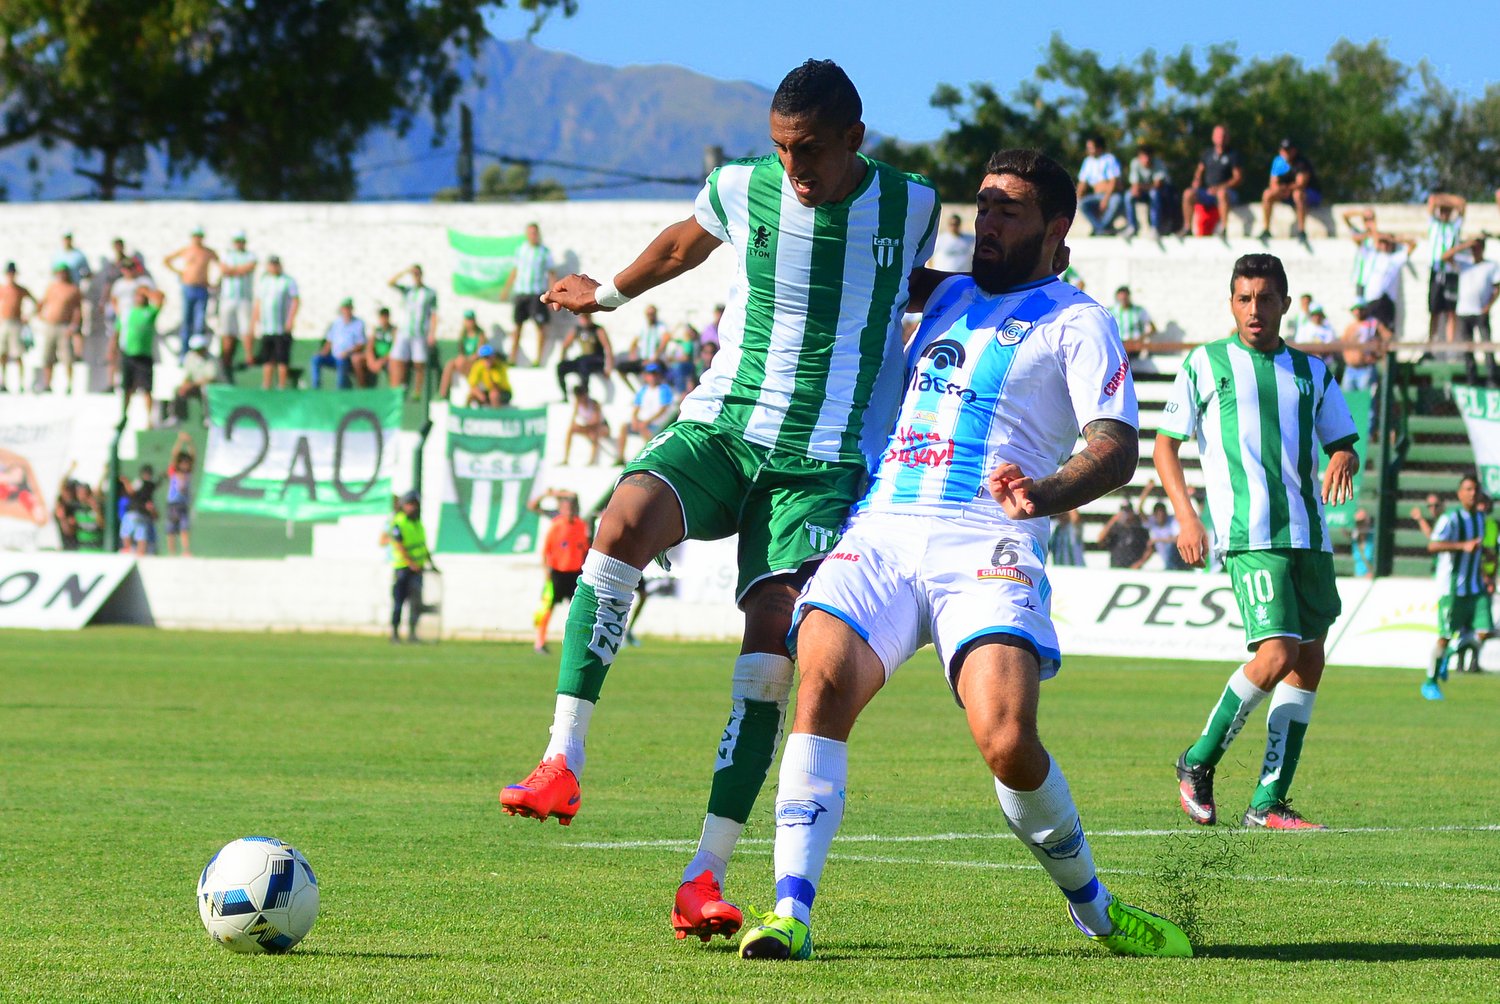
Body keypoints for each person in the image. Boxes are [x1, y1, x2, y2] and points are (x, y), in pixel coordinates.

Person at [498, 60, 943, 948]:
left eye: (809, 150)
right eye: (781, 148)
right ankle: (562, 760)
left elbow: (911, 287)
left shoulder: (914, 204)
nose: (793, 168)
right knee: (618, 522)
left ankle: (702, 877)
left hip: (819, 463)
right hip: (725, 423)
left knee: (772, 656)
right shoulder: (744, 187)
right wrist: (610, 294)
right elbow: (681, 244)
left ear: (855, 138)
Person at [738, 147, 1188, 962]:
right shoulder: (943, 292)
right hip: (882, 529)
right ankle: (789, 912)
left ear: (1056, 229)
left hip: (990, 538)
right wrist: (808, 181)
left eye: (1009, 210)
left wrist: (1044, 494)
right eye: (983, 205)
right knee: (822, 681)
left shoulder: (1077, 319)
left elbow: (1115, 448)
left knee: (1007, 740)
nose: (987, 222)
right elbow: (850, 262)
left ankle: (1095, 909)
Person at [1155, 253, 1359, 831]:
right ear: (1231, 304)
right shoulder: (1205, 363)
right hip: (1251, 534)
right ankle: (1196, 762)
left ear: (1285, 305)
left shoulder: (1312, 371)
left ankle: (1267, 802)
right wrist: (1187, 518)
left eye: (1265, 298)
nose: (1254, 309)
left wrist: (1343, 454)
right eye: (1244, 298)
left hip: (1309, 536)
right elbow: (1166, 445)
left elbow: (1343, 441)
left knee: (1308, 661)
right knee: (1275, 655)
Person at [1423, 474, 1490, 699]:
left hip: (1475, 588)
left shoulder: (1480, 518)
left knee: (1484, 631)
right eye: (1468, 490)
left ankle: (1449, 656)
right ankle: (1430, 682)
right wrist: (1462, 546)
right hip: (1451, 589)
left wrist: (1484, 553)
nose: (1472, 494)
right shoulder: (1450, 519)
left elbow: (1475, 548)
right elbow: (1432, 545)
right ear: (1459, 494)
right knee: (1445, 635)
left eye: (1475, 490)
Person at [530, 490, 591, 654]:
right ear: (561, 510)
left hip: (575, 574)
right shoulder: (557, 526)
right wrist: (546, 572)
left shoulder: (581, 525)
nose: (570, 511)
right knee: (547, 607)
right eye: (566, 508)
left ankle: (579, 642)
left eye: (572, 508)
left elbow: (584, 549)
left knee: (579, 609)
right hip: (557, 572)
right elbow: (546, 551)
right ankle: (540, 641)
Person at [1443, 236, 1500, 385]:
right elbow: (1445, 257)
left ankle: (1492, 378)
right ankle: (1471, 379)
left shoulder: (1491, 266)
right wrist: (1464, 245)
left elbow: (1497, 287)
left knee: (1486, 345)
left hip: (1480, 312)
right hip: (1464, 311)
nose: (1475, 251)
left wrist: (1488, 306)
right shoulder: (1464, 264)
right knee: (1467, 347)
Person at [503, 223, 556, 366]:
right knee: (517, 325)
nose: (533, 235)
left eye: (535, 233)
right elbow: (515, 270)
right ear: (526, 235)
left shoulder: (544, 252)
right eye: (530, 233)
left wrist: (553, 296)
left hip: (536, 294)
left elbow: (551, 274)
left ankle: (538, 359)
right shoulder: (520, 250)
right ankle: (512, 357)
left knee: (540, 326)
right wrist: (506, 289)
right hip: (521, 293)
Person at [163, 227, 218, 362]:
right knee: (187, 321)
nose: (197, 239)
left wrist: (214, 282)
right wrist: (180, 272)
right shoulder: (187, 250)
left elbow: (220, 265)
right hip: (188, 287)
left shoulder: (207, 252)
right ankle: (184, 353)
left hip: (202, 288)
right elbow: (167, 260)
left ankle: (198, 352)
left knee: (199, 322)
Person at [388, 491, 436, 643]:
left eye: (415, 505)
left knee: (416, 603)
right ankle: (395, 633)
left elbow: (422, 546)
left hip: (417, 569)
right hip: (403, 568)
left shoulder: (418, 524)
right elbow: (399, 545)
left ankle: (412, 633)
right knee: (399, 602)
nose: (413, 508)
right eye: (410, 505)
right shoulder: (399, 522)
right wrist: (411, 563)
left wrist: (431, 563)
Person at [1179, 124, 1242, 238]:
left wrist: (1220, 188)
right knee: (1188, 193)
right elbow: (1199, 170)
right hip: (1208, 192)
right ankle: (1187, 227)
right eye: (1218, 136)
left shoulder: (1233, 155)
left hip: (1227, 193)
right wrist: (1196, 181)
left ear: (1227, 138)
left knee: (1222, 194)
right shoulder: (1207, 153)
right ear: (1213, 137)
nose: (1220, 138)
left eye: (1223, 136)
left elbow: (1237, 178)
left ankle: (1223, 228)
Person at [118, 284, 166, 426]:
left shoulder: (150, 312)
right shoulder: (128, 313)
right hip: (128, 354)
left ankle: (149, 419)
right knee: (126, 388)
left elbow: (161, 298)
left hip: (144, 355)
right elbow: (118, 330)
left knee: (146, 388)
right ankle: (124, 415)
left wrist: (146, 291)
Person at [388, 264, 438, 398]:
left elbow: (433, 314)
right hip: (405, 330)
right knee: (398, 359)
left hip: (420, 332)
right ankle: (398, 387)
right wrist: (405, 271)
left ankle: (418, 392)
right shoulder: (408, 291)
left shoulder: (429, 293)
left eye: (417, 274)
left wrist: (432, 333)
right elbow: (390, 283)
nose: (416, 276)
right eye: (414, 274)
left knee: (419, 362)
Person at [1426, 193, 1468, 346]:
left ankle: (1450, 344)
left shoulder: (1454, 226)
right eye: (1442, 210)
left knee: (1451, 310)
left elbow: (1462, 203)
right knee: (1434, 310)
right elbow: (1432, 200)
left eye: (1448, 211)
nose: (1444, 214)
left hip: (1451, 272)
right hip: (1437, 270)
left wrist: (1449, 201)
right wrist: (1445, 200)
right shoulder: (1433, 224)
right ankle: (1431, 343)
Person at [252, 255, 299, 390]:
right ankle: (266, 384)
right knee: (267, 357)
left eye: (276, 264)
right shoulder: (264, 282)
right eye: (271, 265)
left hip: (281, 327)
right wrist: (255, 321)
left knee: (282, 358)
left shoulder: (287, 281)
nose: (273, 267)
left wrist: (290, 320)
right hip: (267, 327)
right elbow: (258, 302)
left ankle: (282, 385)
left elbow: (295, 300)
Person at [1258, 139, 1320, 240]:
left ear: (1294, 150)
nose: (1286, 153)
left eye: (1288, 150)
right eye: (1283, 150)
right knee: (1267, 194)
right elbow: (1273, 183)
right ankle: (1266, 229)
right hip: (1287, 193)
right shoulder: (1278, 162)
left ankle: (1301, 231)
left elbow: (1301, 183)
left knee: (1297, 194)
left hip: (1308, 193)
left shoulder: (1301, 162)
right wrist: (1279, 190)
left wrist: (1285, 188)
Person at [35, 262, 83, 393]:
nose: (61, 275)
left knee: (67, 357)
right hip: (50, 325)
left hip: (64, 326)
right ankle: (47, 383)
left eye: (63, 272)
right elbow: (42, 302)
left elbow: (77, 310)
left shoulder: (73, 289)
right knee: (47, 356)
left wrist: (74, 325)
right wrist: (39, 314)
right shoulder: (51, 287)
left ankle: (69, 385)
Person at [614, 361, 676, 462]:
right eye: (650, 374)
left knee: (645, 430)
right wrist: (634, 419)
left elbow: (663, 409)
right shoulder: (643, 390)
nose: (652, 377)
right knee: (624, 427)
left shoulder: (664, 389)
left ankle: (648, 458)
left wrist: (647, 422)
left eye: (654, 374)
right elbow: (637, 406)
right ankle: (620, 458)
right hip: (644, 422)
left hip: (657, 424)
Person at [216, 230, 258, 377]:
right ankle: (226, 359)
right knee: (227, 330)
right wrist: (238, 270)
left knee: (246, 328)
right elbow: (224, 269)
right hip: (228, 298)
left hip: (244, 298)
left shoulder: (250, 255)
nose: (239, 243)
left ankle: (249, 357)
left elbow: (249, 267)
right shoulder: (227, 255)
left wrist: (233, 270)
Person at [1361, 232, 1416, 331]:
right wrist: (1378, 236)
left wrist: (1395, 239)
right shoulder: (1372, 256)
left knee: (1387, 332)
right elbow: (1357, 239)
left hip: (1388, 300)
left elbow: (1413, 244)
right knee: (1371, 330)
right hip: (1372, 298)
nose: (1385, 246)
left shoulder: (1395, 258)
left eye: (1387, 243)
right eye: (1382, 243)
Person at [310, 298, 368, 390]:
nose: (347, 311)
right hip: (334, 357)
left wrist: (347, 352)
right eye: (345, 308)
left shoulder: (358, 324)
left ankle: (340, 388)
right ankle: (316, 387)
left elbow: (361, 344)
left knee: (341, 361)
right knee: (316, 359)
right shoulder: (336, 323)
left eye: (349, 308)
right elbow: (330, 341)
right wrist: (323, 352)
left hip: (347, 358)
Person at [555, 314, 614, 401]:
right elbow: (565, 345)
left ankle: (584, 394)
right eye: (582, 318)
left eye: (586, 318)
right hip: (584, 359)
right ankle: (565, 396)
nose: (585, 321)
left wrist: (608, 367)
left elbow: (608, 348)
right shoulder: (577, 329)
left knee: (584, 364)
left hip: (596, 359)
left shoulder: (597, 330)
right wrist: (562, 358)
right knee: (561, 367)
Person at [1340, 300, 1392, 392]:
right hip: (1350, 368)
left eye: (1361, 309)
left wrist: (1378, 352)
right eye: (1356, 309)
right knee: (1347, 401)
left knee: (1366, 401)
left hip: (1365, 368)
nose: (1358, 312)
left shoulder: (1373, 323)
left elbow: (1387, 337)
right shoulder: (1350, 327)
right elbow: (1342, 343)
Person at [614, 303, 668, 389]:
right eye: (648, 314)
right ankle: (635, 391)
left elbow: (664, 340)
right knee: (621, 367)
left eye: (652, 314)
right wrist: (632, 354)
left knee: (651, 371)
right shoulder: (643, 327)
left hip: (656, 360)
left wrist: (655, 356)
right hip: (643, 360)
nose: (650, 316)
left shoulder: (661, 326)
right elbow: (634, 342)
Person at [0, 262, 36, 393]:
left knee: (17, 354)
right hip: (3, 322)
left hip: (16, 323)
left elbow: (35, 303)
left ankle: (21, 383)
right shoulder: (2, 289)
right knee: (2, 354)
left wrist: (28, 316)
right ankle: (3, 381)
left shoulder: (20, 290)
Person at [1076, 135, 1123, 236]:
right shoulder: (1087, 162)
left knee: (1116, 201)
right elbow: (1082, 182)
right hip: (1096, 195)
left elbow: (1113, 181)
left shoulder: (1109, 159)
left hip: (1110, 195)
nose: (1088, 150)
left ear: (1099, 148)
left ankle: (1100, 228)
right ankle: (1101, 229)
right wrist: (1076, 197)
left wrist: (1106, 199)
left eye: (1091, 147)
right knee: (1083, 204)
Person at [169, 335, 218, 426]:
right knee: (178, 390)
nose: (198, 352)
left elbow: (210, 378)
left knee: (205, 390)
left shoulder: (212, 359)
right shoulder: (190, 357)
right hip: (194, 386)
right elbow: (188, 375)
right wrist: (184, 386)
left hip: (208, 387)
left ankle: (208, 417)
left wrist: (192, 385)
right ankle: (177, 417)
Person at [1123, 144, 1168, 238]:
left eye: (1148, 156)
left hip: (1160, 194)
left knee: (1154, 194)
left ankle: (1155, 227)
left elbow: (1157, 185)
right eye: (1143, 157)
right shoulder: (1135, 163)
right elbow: (1134, 185)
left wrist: (1140, 187)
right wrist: (1137, 188)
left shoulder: (1159, 163)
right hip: (1143, 193)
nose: (1146, 159)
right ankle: (1132, 227)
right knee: (1128, 195)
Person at [439, 309, 486, 399]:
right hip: (464, 360)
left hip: (474, 360)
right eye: (467, 320)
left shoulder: (480, 334)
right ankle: (443, 393)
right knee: (450, 364)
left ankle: (473, 388)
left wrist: (468, 359)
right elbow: (461, 351)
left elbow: (479, 353)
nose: (469, 322)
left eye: (471, 320)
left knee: (461, 362)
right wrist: (462, 358)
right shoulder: (463, 334)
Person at [563, 383, 610, 466]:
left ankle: (592, 460)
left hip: (602, 427)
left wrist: (586, 427)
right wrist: (578, 427)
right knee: (571, 430)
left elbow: (597, 421)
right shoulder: (577, 404)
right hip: (589, 426)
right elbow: (573, 420)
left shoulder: (594, 404)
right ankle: (565, 459)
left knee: (594, 433)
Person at [165, 433, 196, 557]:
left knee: (184, 528)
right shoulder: (174, 471)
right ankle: (171, 552)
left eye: (187, 463)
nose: (185, 465)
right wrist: (179, 441)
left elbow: (193, 455)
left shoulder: (189, 473)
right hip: (173, 503)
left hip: (183, 503)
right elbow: (174, 455)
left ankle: (186, 550)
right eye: (183, 463)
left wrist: (189, 442)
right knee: (171, 529)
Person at [120, 463, 160, 556]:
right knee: (141, 535)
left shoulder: (140, 482)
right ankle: (139, 553)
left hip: (135, 512)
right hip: (144, 514)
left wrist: (125, 481)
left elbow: (131, 491)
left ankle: (128, 550)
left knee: (127, 533)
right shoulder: (151, 485)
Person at [1341, 207, 1380, 301]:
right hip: (1361, 279)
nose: (1369, 222)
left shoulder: (1380, 237)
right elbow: (1344, 216)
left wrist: (1373, 229)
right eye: (1366, 220)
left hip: (1375, 279)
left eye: (1371, 219)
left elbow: (1378, 245)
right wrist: (1361, 213)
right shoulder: (1362, 236)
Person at [1098, 500, 1151, 568]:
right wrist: (1113, 520)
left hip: (1133, 570)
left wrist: (1140, 563)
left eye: (1128, 511)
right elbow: (1100, 539)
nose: (1126, 514)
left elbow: (1149, 548)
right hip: (1116, 568)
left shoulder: (1139, 529)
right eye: (1124, 511)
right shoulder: (1115, 529)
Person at [1110, 286, 1156, 353]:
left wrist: (1140, 339)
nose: (1123, 300)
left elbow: (1153, 328)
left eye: (1125, 298)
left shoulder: (1139, 310)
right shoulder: (1112, 311)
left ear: (1129, 297)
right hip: (1119, 345)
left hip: (1135, 346)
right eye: (1121, 299)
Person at [364, 307, 396, 386]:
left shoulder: (393, 331)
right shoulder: (376, 330)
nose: (383, 319)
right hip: (376, 358)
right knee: (359, 361)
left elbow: (394, 349)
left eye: (385, 316)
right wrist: (371, 361)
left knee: (392, 366)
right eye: (382, 317)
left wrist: (382, 361)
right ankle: (365, 390)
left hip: (387, 359)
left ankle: (393, 390)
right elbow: (369, 347)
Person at [1350, 507, 1375, 579]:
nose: (1360, 525)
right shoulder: (1354, 540)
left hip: (1371, 578)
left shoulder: (1374, 538)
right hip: (1357, 578)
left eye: (1363, 522)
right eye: (1358, 523)